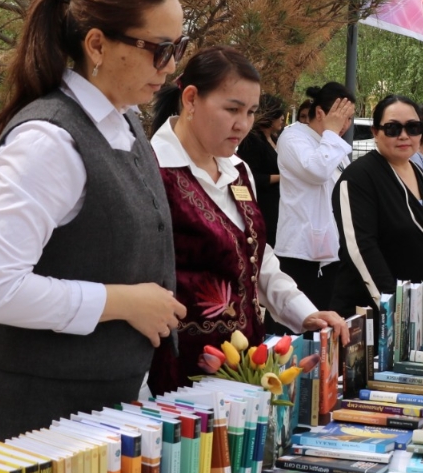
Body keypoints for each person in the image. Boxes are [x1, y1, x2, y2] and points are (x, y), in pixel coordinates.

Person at [0, 0, 189, 445]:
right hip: (28, 429)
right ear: (97, 44)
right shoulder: (47, 141)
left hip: (94, 422)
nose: (170, 66)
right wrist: (123, 302)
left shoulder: (124, 122)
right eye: (160, 50)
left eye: (178, 48)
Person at [147, 47, 348, 395]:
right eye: (232, 109)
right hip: (178, 373)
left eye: (251, 112)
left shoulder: (238, 170)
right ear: (191, 99)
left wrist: (304, 312)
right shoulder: (152, 170)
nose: (242, 124)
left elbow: (256, 257)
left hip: (245, 367)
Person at [331, 95, 423, 317]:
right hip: (375, 314)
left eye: (412, 127)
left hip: (417, 308)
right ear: (375, 132)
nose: (404, 135)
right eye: (392, 128)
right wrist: (395, 308)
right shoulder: (358, 178)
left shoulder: (416, 171)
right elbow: (361, 251)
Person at [274, 82, 356, 310]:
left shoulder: (331, 142)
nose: (345, 125)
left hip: (332, 250)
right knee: (297, 321)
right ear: (320, 113)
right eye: (341, 117)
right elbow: (317, 171)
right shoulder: (293, 137)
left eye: (349, 118)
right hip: (300, 252)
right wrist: (331, 134)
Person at [237, 93, 284, 245]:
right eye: (279, 114)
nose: (282, 118)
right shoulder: (253, 140)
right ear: (270, 116)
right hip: (264, 204)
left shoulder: (275, 138)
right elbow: (251, 176)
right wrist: (282, 177)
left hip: (279, 204)